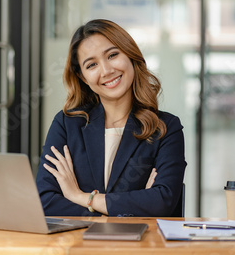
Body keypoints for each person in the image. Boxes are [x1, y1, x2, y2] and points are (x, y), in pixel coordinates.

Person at [35, 19, 186, 217]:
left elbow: (162, 202)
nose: (106, 71)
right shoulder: (67, 124)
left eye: (113, 55)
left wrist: (81, 197)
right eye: (92, 65)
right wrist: (129, 207)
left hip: (141, 247)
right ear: (83, 77)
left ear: (130, 55)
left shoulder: (165, 128)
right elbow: (44, 201)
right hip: (80, 246)